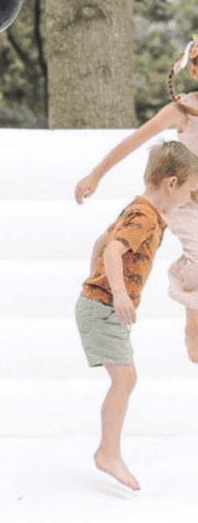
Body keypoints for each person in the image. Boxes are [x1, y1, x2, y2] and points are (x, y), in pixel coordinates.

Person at [75, 140, 198, 491]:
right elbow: (113, 250)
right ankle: (107, 453)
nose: (191, 198)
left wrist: (95, 285)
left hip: (97, 304)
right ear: (172, 184)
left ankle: (108, 451)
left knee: (125, 379)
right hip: (101, 308)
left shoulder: (139, 209)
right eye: (191, 190)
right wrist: (116, 294)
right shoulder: (145, 217)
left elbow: (100, 243)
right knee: (125, 380)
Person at [75, 37, 198, 363]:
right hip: (186, 201)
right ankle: (194, 330)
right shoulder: (182, 109)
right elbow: (134, 140)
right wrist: (96, 174)